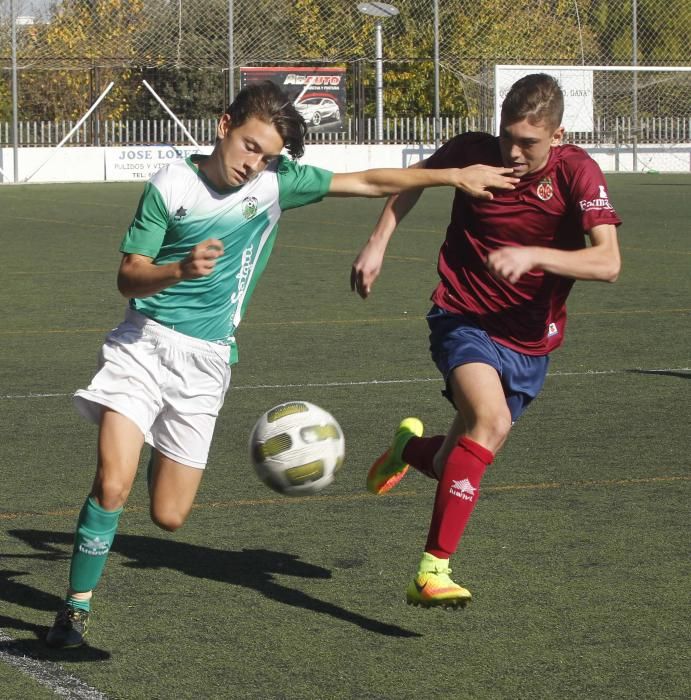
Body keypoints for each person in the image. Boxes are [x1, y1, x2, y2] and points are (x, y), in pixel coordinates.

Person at [45, 80, 518, 648]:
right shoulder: (170, 185)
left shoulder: (275, 185)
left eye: (267, 156)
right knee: (112, 485)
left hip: (207, 362)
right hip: (143, 345)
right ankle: (74, 612)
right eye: (249, 146)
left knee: (169, 516)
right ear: (224, 125)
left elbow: (370, 181)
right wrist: (180, 270)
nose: (254, 164)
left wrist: (453, 176)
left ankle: (151, 445)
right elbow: (129, 275)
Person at [351, 73, 622, 609]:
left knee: (458, 458)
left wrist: (535, 256)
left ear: (558, 135)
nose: (514, 152)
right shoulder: (473, 154)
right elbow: (411, 182)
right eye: (508, 136)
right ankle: (431, 571)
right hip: (462, 315)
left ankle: (409, 449)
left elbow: (608, 262)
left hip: (531, 340)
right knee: (490, 420)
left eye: (529, 142)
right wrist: (377, 243)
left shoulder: (578, 173)